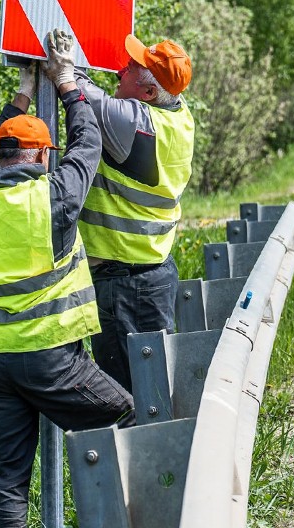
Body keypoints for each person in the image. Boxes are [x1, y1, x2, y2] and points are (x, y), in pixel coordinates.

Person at [0, 30, 134, 528]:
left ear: (0, 153)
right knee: (125, 418)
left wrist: (23, 90)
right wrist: (68, 84)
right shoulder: (52, 199)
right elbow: (88, 143)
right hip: (50, 361)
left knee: (7, 485)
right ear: (38, 157)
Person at [74, 34, 195, 392]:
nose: (118, 70)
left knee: (130, 398)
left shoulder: (137, 124)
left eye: (129, 69)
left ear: (147, 94)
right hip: (148, 277)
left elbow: (75, 86)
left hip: (126, 286)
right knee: (149, 391)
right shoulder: (178, 115)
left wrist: (67, 60)